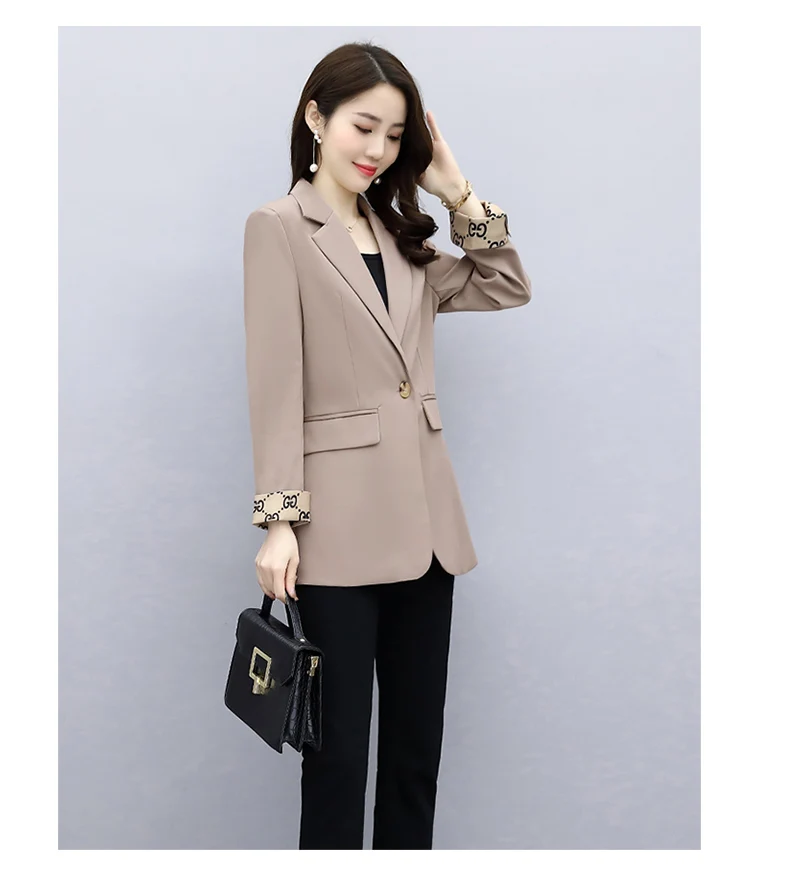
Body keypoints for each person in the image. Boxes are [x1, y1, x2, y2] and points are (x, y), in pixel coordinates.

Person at [242, 41, 532, 849]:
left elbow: (507, 283)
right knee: (336, 762)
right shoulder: (277, 229)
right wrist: (279, 520)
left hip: (429, 534)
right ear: (316, 117)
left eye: (395, 135)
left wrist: (457, 191)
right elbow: (275, 384)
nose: (377, 149)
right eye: (363, 126)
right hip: (335, 537)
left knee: (414, 759)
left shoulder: (403, 236)